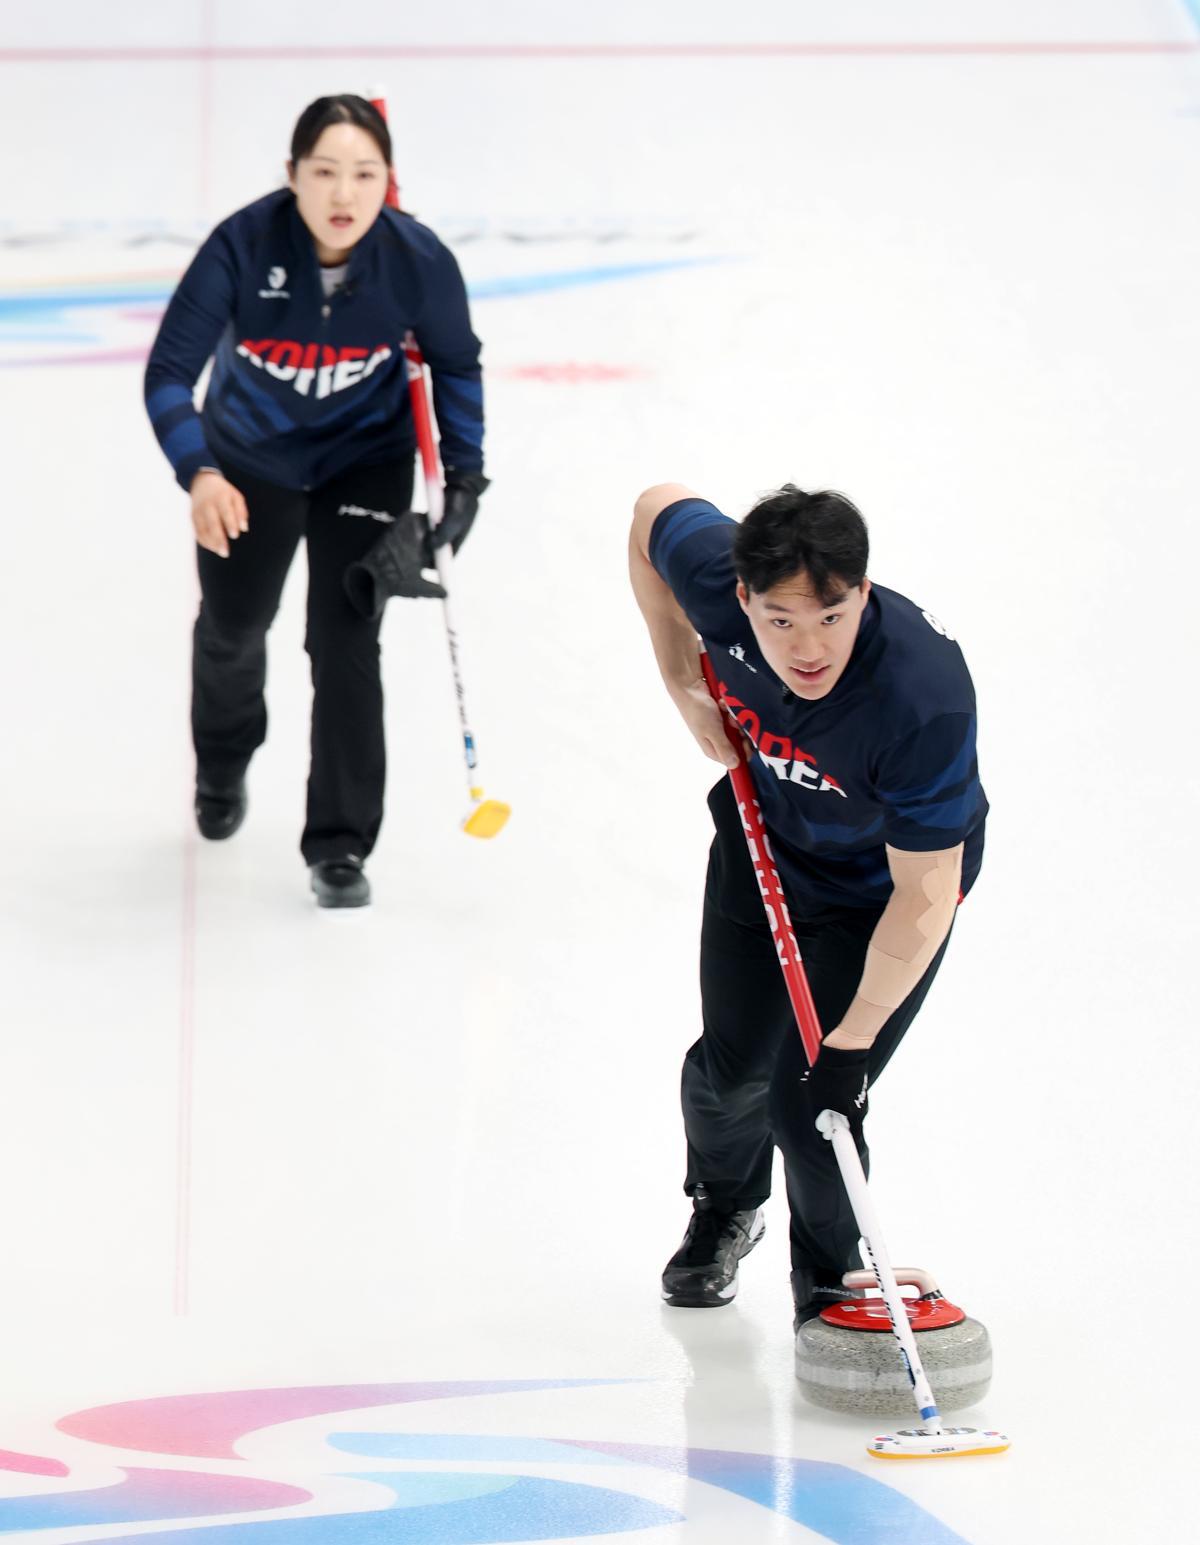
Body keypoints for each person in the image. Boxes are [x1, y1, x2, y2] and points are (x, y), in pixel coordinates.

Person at [628, 482, 987, 1336]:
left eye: (831, 615)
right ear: (742, 596)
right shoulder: (717, 584)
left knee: (812, 1104)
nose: (809, 646)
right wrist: (680, 677)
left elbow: (925, 895)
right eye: (780, 620)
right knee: (730, 1073)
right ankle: (724, 1208)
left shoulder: (920, 698)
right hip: (764, 853)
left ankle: (828, 1287)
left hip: (880, 900)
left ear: (863, 590)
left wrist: (849, 1045)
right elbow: (652, 511)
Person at [145, 94, 487, 907]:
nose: (343, 194)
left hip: (363, 463)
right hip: (246, 464)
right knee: (234, 625)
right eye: (325, 171)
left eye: (364, 174)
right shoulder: (242, 245)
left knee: (346, 640)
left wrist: (467, 477)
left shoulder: (418, 261)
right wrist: (200, 472)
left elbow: (456, 364)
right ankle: (223, 759)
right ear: (292, 174)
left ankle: (340, 842)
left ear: (386, 179)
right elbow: (168, 375)